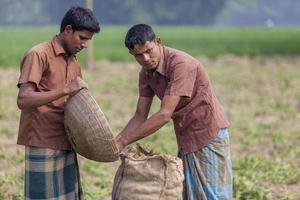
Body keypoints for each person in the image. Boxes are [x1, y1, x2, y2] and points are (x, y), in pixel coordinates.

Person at [116, 24, 233, 200]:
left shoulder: (181, 64)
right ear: (132, 54)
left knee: (214, 195)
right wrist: (116, 141)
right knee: (190, 194)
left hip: (208, 134)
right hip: (186, 137)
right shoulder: (146, 73)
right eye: (139, 55)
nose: (146, 58)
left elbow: (164, 114)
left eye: (149, 50)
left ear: (158, 41)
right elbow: (140, 116)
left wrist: (124, 140)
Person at [16, 6, 100, 199]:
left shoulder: (74, 63)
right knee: (43, 196)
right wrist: (64, 90)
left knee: (68, 196)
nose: (85, 44)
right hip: (43, 140)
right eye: (83, 38)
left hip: (67, 140)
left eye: (89, 40)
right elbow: (23, 99)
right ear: (68, 30)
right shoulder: (38, 54)